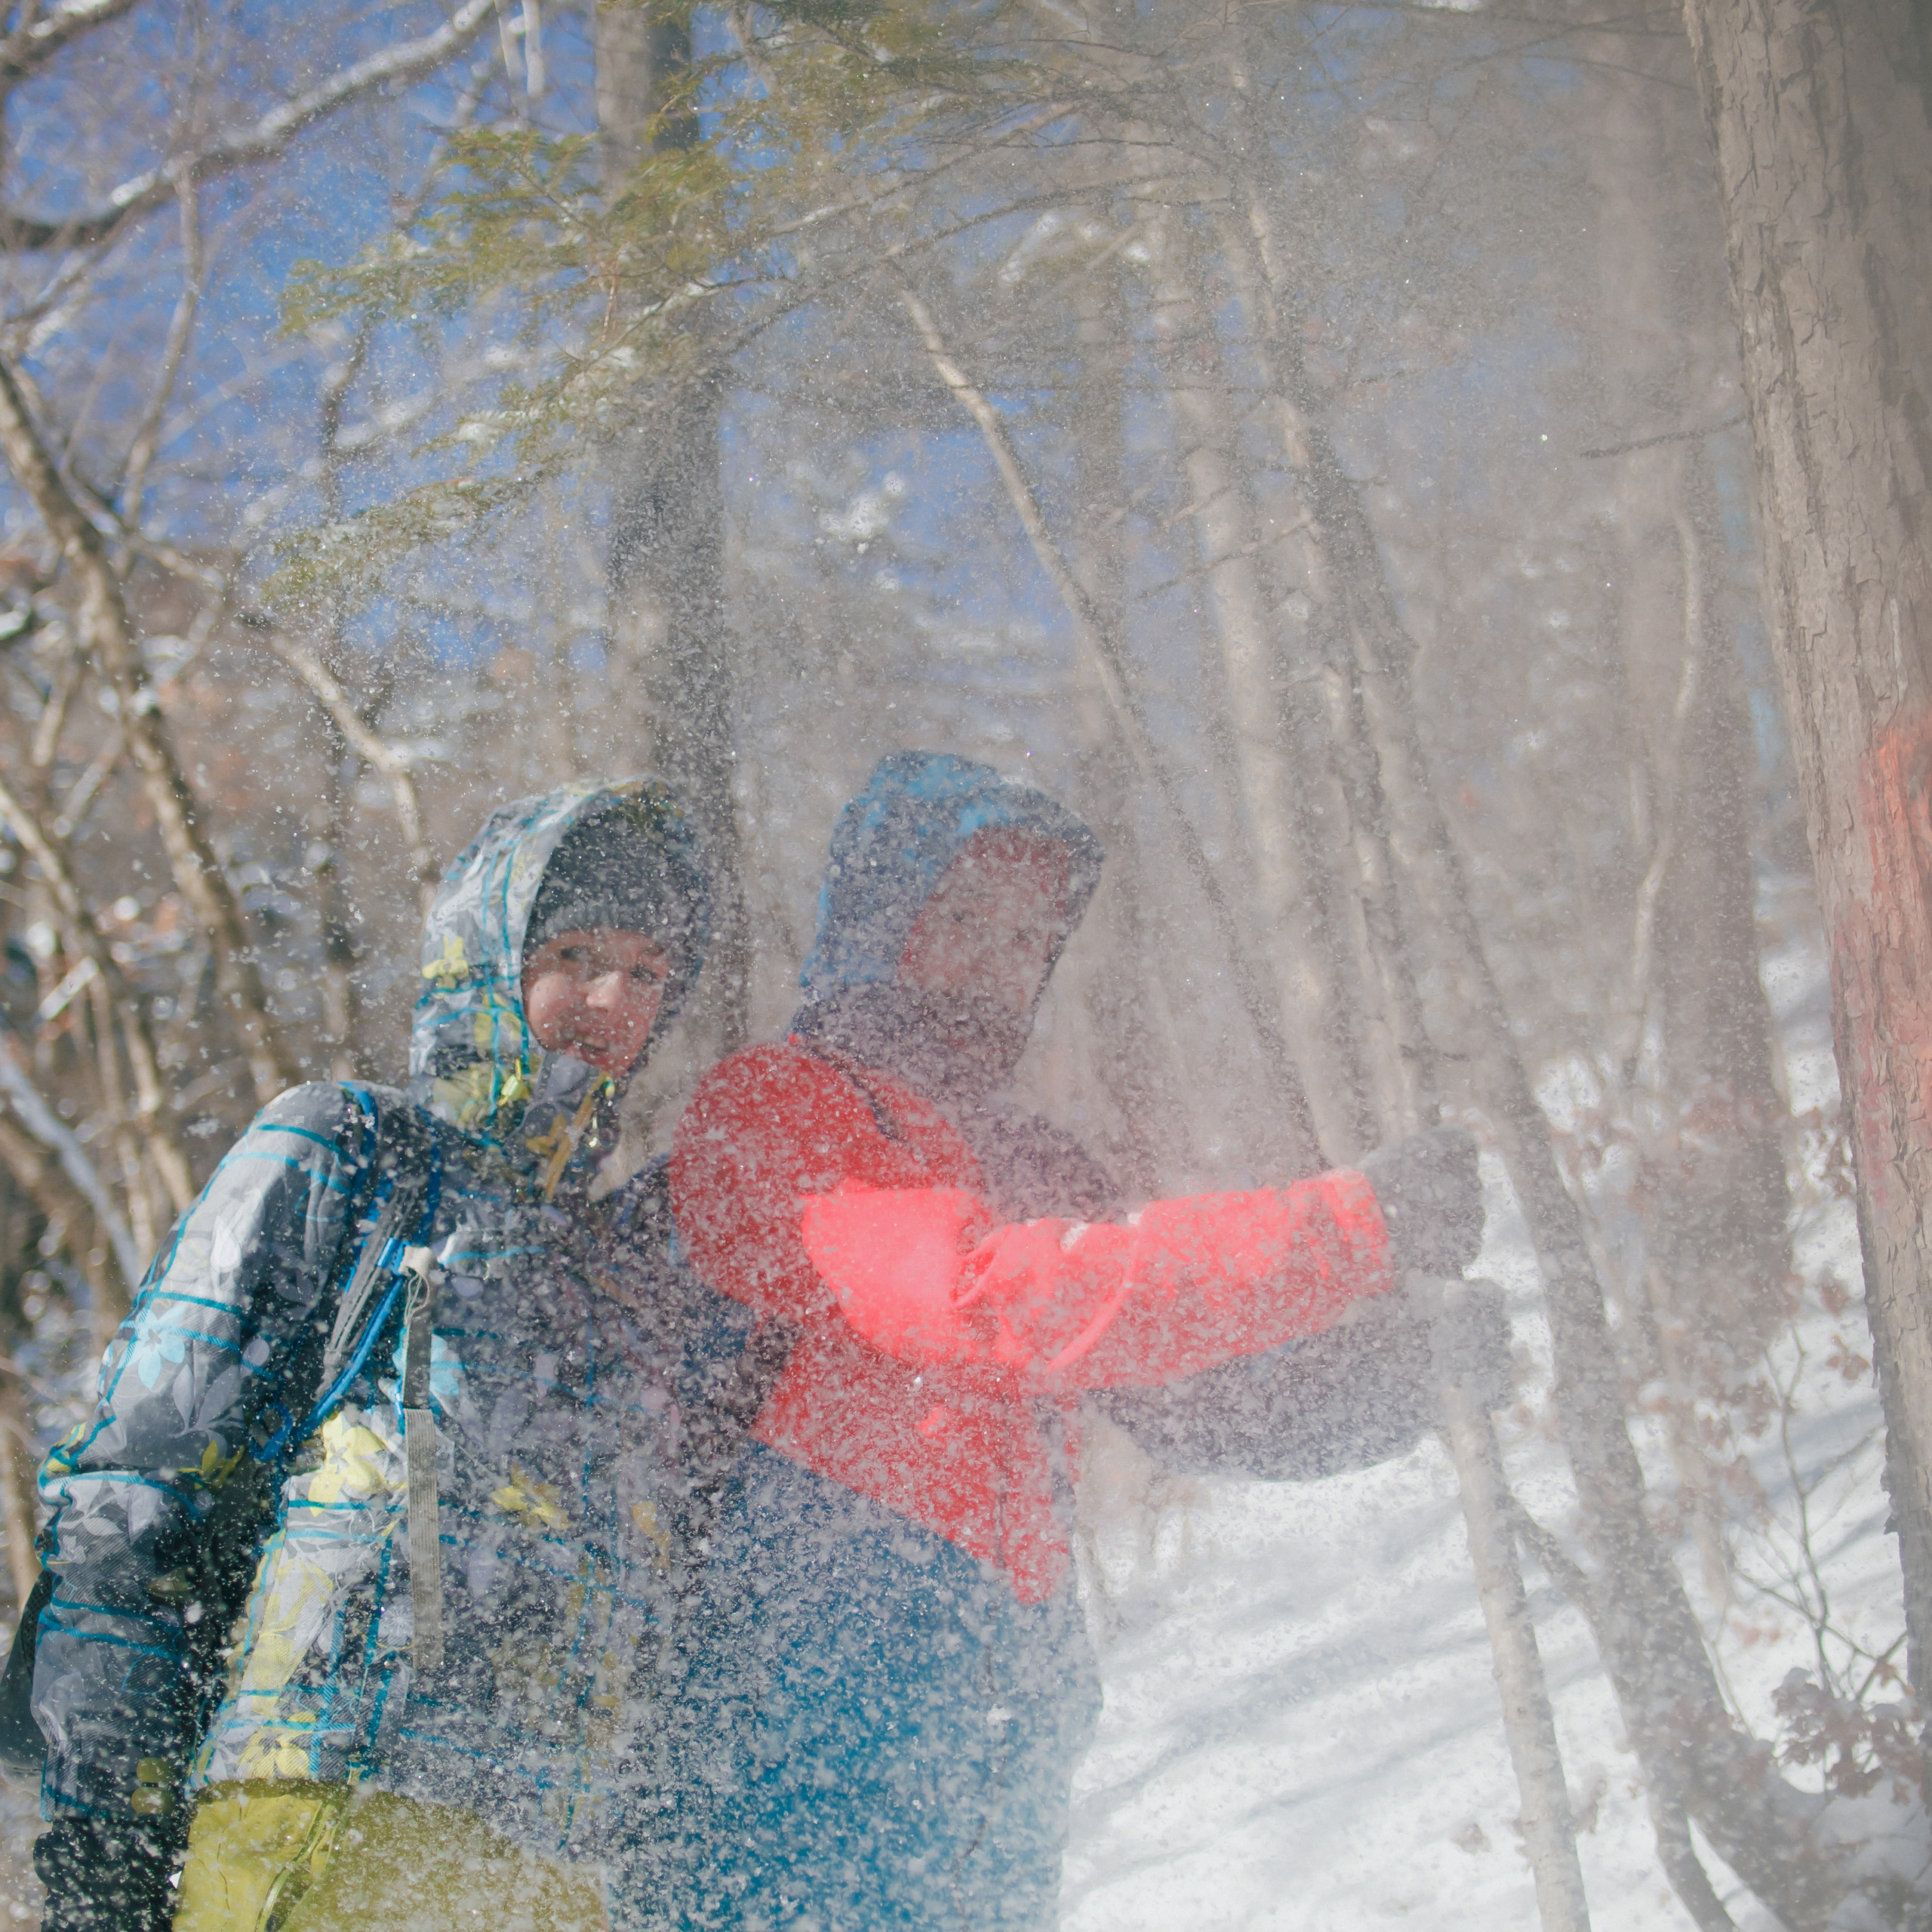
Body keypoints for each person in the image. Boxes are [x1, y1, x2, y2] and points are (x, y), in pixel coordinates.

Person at [663, 750, 1497, 1929]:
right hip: (802, 1734)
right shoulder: (776, 1109)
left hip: (1004, 1731)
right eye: (959, 917)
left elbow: (1197, 1401)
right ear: (878, 914)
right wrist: (1349, 1229)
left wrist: (1403, 1382)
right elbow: (983, 1300)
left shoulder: (1032, 1163)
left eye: (1025, 938)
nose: (995, 964)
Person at [27, 777, 733, 1932]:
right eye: (572, 951)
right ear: (485, 951)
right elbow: (135, 1487)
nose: (610, 997)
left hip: (549, 1870)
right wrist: (107, 1824)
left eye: (649, 972)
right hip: (320, 1804)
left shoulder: (615, 1271)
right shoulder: (348, 1152)